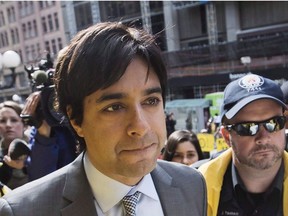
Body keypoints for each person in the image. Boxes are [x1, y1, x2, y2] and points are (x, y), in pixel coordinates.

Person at [0, 22, 207, 215]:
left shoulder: (192, 184)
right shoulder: (23, 210)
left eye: (151, 101)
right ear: (75, 119)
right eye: (114, 107)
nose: (140, 126)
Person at [199, 73, 288, 216]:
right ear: (227, 136)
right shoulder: (196, 188)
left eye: (274, 123)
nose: (264, 138)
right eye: (248, 127)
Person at [0, 101, 29, 189]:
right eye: (2, 121)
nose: (8, 125)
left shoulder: (38, 148)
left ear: (24, 124)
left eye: (14, 120)